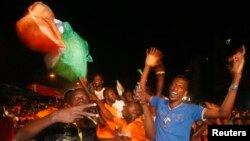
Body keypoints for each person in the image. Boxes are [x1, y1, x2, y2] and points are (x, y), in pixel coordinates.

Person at [136, 46, 245, 141]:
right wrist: (147, 65)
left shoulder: (191, 110)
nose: (175, 88)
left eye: (180, 87)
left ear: (185, 93)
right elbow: (140, 94)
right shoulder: (160, 102)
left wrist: (237, 76)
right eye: (173, 84)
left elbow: (224, 113)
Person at [15, 88, 98, 141]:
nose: (81, 99)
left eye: (84, 97)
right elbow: (19, 137)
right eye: (76, 97)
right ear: (69, 105)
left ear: (89, 104)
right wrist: (52, 118)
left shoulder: (92, 124)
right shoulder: (56, 122)